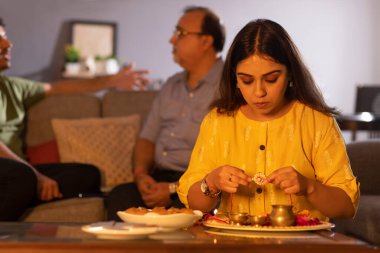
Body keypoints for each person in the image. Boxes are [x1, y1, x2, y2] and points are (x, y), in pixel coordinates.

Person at [177, 19, 359, 221]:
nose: (259, 92)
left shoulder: (317, 122)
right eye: (246, 80)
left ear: (290, 73)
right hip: (234, 244)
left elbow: (346, 207)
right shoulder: (218, 121)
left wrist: (309, 187)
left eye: (271, 79)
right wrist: (211, 182)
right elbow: (194, 204)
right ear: (234, 78)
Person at [0, 17, 149, 221]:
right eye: (0, 39)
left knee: (88, 175)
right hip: (13, 172)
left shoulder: (13, 87)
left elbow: (58, 87)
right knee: (22, 177)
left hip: (16, 174)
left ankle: (21, 194)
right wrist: (36, 176)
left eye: (5, 37)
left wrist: (112, 81)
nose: (8, 44)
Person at [106, 6, 226, 220]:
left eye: (180, 33)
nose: (172, 40)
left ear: (206, 41)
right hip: (158, 177)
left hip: (200, 185)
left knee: (197, 207)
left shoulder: (230, 86)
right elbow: (147, 138)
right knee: (120, 197)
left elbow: (227, 157)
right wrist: (141, 175)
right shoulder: (171, 85)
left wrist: (172, 189)